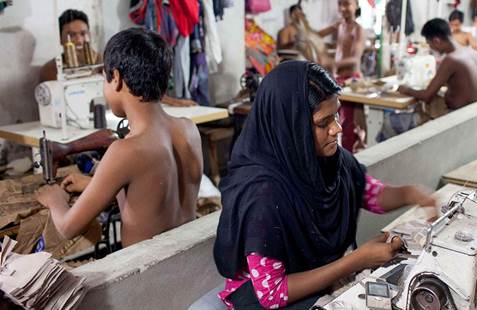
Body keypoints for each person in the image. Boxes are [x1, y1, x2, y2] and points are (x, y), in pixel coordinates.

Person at [213, 61, 436, 309]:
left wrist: (410, 193)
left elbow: (368, 194)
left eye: (337, 114)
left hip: (311, 276)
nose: (337, 128)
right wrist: (357, 261)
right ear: (291, 127)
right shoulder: (262, 194)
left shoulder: (327, 160)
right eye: (323, 123)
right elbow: (271, 294)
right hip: (263, 296)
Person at [36, 28, 203, 247]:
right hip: (188, 263)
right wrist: (92, 185)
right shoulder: (189, 130)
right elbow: (152, 194)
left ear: (116, 78)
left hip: (144, 274)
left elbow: (68, 227)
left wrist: (54, 199)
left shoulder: (125, 151)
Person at [40, 9, 197, 107]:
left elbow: (136, 86)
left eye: (83, 33)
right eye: (71, 35)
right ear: (60, 39)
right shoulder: (51, 70)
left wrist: (172, 101)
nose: (79, 40)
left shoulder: (102, 61)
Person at [398, 18, 477, 115]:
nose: (430, 47)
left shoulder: (452, 59)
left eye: (429, 43)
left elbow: (427, 96)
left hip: (459, 117)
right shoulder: (474, 53)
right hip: (475, 114)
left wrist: (405, 89)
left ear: (436, 41)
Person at [319, 0, 366, 152]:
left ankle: (349, 159)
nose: (343, 8)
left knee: (349, 124)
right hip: (338, 80)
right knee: (336, 119)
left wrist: (332, 64)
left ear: (356, 5)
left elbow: (355, 58)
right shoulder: (338, 26)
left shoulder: (358, 30)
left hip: (352, 80)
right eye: (340, 4)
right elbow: (315, 36)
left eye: (347, 4)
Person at [277, 4, 331, 68]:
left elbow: (316, 36)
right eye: (296, 14)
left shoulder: (307, 28)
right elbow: (282, 48)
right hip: (294, 58)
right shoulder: (286, 29)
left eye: (300, 14)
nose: (299, 16)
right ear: (291, 15)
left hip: (311, 58)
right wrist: (294, 42)